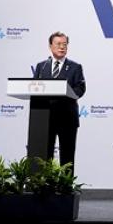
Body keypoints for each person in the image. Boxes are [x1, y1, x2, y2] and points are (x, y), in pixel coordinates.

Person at [33, 32, 86, 171]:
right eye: (58, 44)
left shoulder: (75, 67)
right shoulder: (41, 67)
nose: (62, 47)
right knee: (44, 157)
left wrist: (67, 92)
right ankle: (45, 183)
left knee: (67, 157)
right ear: (50, 46)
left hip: (67, 118)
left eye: (65, 44)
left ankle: (66, 183)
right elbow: (34, 87)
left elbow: (80, 89)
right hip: (45, 118)